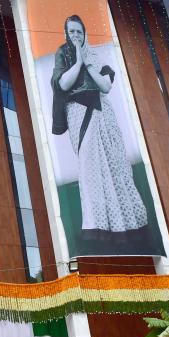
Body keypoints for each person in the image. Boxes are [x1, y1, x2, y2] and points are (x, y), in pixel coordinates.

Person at [50, 15, 148, 239]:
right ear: (67, 33)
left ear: (85, 33)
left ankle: (127, 224)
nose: (75, 35)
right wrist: (78, 62)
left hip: (103, 113)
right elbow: (63, 84)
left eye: (79, 31)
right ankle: (98, 227)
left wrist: (89, 63)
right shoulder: (63, 53)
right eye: (71, 32)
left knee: (116, 164)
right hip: (79, 112)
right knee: (90, 166)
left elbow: (105, 86)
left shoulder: (95, 54)